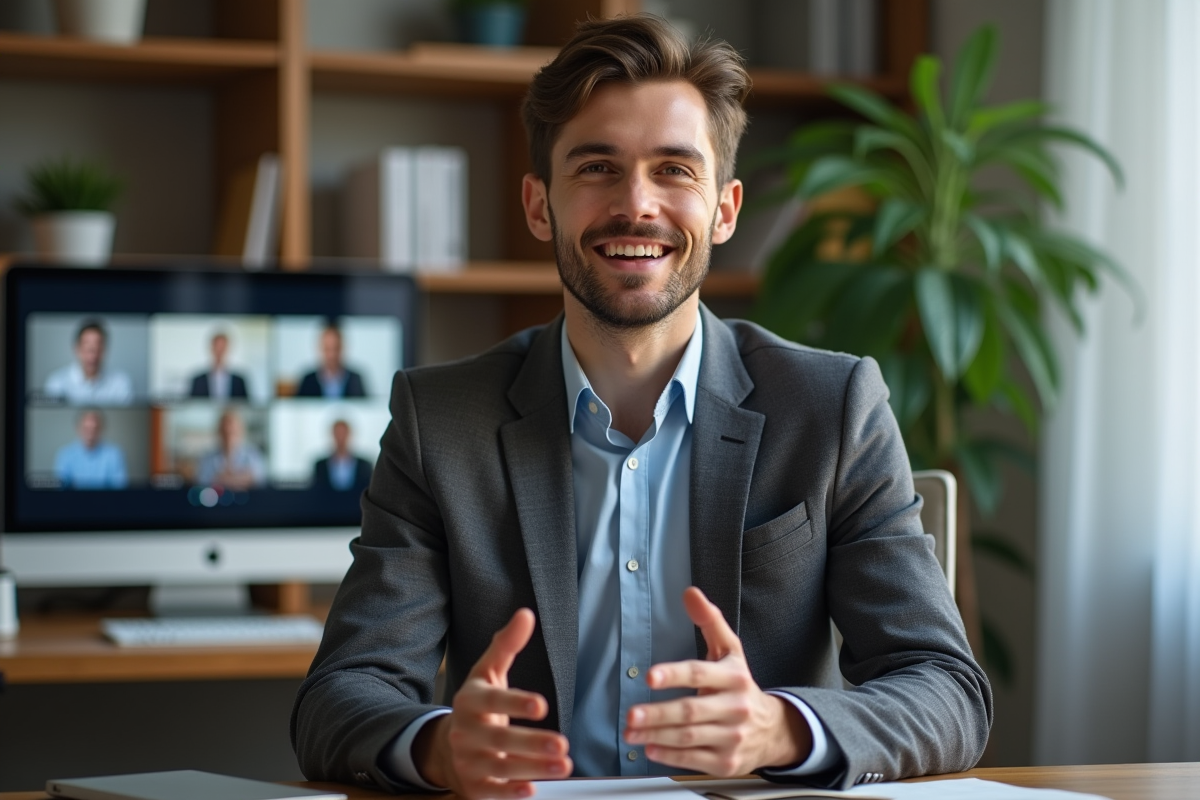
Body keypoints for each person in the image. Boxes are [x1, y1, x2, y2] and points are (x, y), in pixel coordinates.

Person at [292, 14, 991, 798]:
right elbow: (337, 698)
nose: (636, 205)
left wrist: (779, 728)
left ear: (724, 210)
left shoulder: (830, 408)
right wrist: (438, 746)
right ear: (538, 205)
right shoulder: (440, 420)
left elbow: (945, 689)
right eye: (596, 167)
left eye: (674, 170)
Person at [43, 319, 134, 405]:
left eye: (98, 347)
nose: (93, 354)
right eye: (87, 347)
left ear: (105, 350)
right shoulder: (57, 383)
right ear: (76, 349)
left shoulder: (121, 382)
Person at [53, 409, 128, 489]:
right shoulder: (65, 454)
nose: (90, 434)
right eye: (86, 429)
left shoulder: (115, 454)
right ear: (78, 429)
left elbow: (120, 486)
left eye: (95, 429)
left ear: (101, 429)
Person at [195, 408, 265, 490]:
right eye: (225, 432)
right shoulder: (207, 458)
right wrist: (241, 478)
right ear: (219, 432)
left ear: (241, 431)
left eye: (232, 432)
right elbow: (202, 482)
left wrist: (223, 479)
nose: (228, 436)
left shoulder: (253, 455)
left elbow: (260, 480)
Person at [296, 325, 366, 398]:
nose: (331, 355)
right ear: (320, 349)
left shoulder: (355, 380)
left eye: (335, 349)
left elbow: (365, 408)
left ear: (342, 348)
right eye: (327, 349)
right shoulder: (308, 381)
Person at [311, 419, 373, 493]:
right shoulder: (320, 466)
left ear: (349, 435)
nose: (340, 438)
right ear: (333, 435)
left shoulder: (364, 466)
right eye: (338, 433)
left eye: (343, 433)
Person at [188, 331, 249, 399]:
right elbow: (192, 404)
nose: (220, 351)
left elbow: (246, 405)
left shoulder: (239, 381)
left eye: (222, 347)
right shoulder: (198, 381)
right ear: (212, 348)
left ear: (227, 349)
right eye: (217, 347)